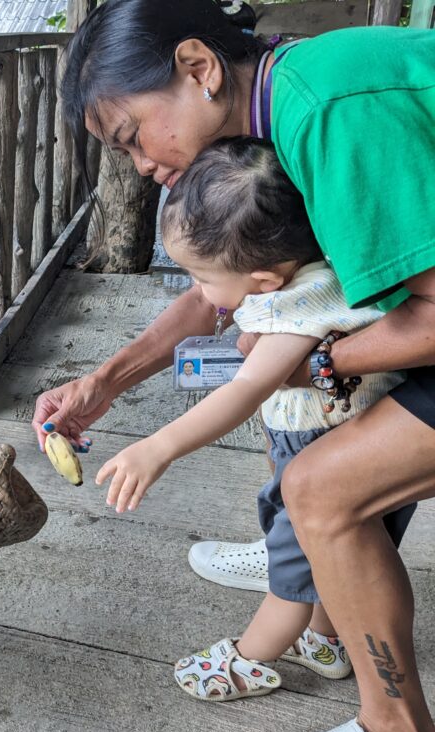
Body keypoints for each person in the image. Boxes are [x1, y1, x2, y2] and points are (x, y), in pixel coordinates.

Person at [31, 1, 435, 732]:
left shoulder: (325, 114)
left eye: (132, 137)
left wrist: (313, 357)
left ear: (198, 68)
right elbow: (223, 290)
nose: (143, 166)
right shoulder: (272, 108)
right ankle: (318, 558)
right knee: (325, 458)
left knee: (321, 486)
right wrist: (105, 383)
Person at [95, 137, 415, 702]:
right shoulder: (321, 268)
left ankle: (249, 659)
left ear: (265, 280)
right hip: (367, 438)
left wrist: (158, 446)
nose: (201, 291)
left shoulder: (297, 309)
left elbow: (245, 389)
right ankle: (326, 641)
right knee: (344, 554)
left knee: (291, 577)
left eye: (203, 279)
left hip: (323, 457)